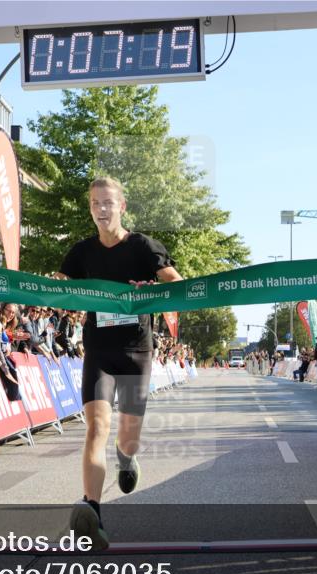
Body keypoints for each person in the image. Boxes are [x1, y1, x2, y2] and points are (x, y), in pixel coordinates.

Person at [55, 176, 183, 549]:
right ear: (90, 208)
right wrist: (51, 286)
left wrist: (155, 289)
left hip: (136, 352)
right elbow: (59, 288)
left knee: (127, 437)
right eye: (95, 203)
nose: (102, 209)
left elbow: (176, 283)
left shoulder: (143, 246)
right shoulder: (82, 252)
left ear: (122, 206)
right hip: (98, 351)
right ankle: (91, 510)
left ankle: (127, 459)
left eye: (108, 202)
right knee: (95, 428)